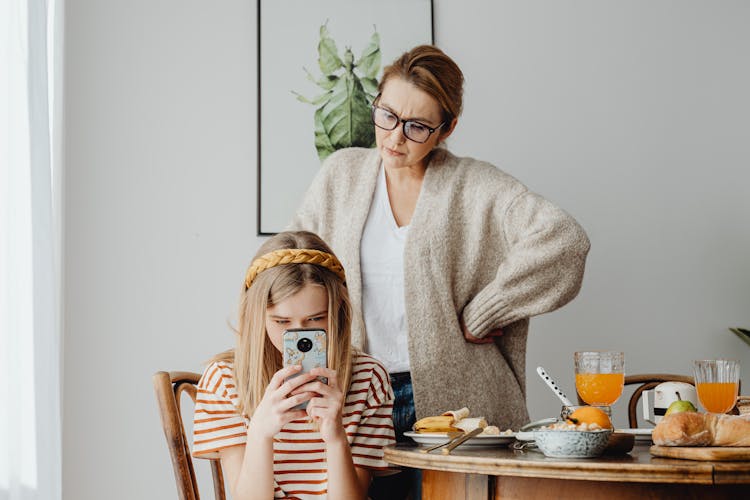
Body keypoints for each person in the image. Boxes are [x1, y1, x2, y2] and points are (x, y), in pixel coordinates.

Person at [289, 45, 590, 438]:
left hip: (461, 408)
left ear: (447, 129)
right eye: (387, 115)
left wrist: (489, 308)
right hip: (356, 396)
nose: (395, 137)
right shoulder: (339, 177)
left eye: (416, 126)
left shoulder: (475, 185)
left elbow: (565, 240)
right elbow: (286, 269)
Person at [192, 231, 396, 500]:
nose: (299, 336)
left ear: (337, 313)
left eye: (315, 319)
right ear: (257, 316)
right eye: (282, 322)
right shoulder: (224, 380)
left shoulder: (368, 378)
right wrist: (260, 434)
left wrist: (336, 438)